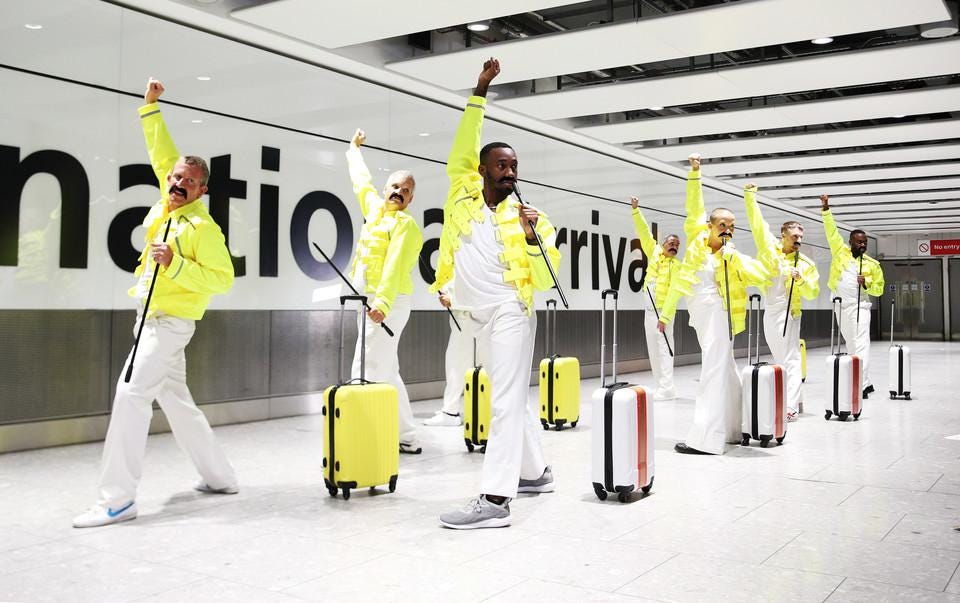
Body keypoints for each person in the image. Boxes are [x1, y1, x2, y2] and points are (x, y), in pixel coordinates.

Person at [73, 78, 237, 528]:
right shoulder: (167, 204)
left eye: (189, 181)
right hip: (146, 320)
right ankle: (221, 477)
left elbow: (224, 278)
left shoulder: (204, 229)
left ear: (203, 191)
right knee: (176, 400)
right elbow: (163, 155)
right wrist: (150, 109)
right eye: (175, 178)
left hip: (170, 325)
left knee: (130, 395)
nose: (178, 182)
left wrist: (177, 265)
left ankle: (118, 498)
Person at [436, 58, 561, 529]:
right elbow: (463, 144)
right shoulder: (461, 195)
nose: (510, 172)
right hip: (473, 314)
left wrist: (532, 239)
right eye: (501, 165)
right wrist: (479, 91)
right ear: (483, 169)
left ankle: (495, 500)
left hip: (511, 311)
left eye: (514, 166)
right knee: (510, 396)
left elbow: (547, 277)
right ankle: (536, 472)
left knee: (505, 401)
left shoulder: (532, 217)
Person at [657, 154, 767, 455]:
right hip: (704, 316)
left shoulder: (731, 255)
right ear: (710, 225)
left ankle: (705, 438)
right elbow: (694, 209)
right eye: (722, 224)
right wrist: (695, 174)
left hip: (721, 317)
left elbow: (761, 273)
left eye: (731, 226)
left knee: (713, 371)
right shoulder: (696, 246)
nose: (727, 230)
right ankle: (733, 430)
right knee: (726, 370)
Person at [345, 128, 424, 452]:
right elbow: (360, 181)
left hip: (389, 303)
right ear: (386, 188)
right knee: (387, 368)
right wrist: (353, 149)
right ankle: (406, 436)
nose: (399, 192)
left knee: (367, 365)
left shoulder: (406, 226)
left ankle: (363, 436)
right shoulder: (375, 210)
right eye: (395, 186)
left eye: (405, 190)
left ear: (411, 198)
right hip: (370, 300)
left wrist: (383, 304)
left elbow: (393, 267)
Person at [743, 184, 820, 419]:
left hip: (791, 313)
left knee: (791, 357)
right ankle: (798, 398)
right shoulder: (770, 250)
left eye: (801, 237)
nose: (798, 240)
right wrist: (750, 197)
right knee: (780, 356)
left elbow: (813, 293)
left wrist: (802, 281)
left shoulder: (805, 263)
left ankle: (791, 405)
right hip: (771, 310)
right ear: (783, 236)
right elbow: (758, 225)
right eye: (795, 236)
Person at [820, 194, 884, 398]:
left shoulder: (873, 265)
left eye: (864, 242)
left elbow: (879, 290)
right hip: (840, 305)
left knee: (861, 344)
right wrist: (826, 208)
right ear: (851, 242)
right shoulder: (840, 252)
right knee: (850, 343)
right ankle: (863, 380)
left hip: (860, 307)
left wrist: (867, 283)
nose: (863, 245)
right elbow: (831, 231)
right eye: (859, 242)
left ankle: (861, 384)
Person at [630, 196, 680, 400]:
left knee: (665, 350)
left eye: (677, 245)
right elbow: (644, 234)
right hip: (649, 313)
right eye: (671, 243)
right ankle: (662, 386)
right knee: (653, 349)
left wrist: (665, 317)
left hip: (663, 315)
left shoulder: (677, 266)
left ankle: (667, 387)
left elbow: (675, 293)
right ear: (663, 244)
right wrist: (636, 210)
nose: (674, 246)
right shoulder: (654, 254)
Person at [424, 283, 473, 427]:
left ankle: (450, 412)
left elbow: (472, 285)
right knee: (456, 361)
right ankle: (450, 409)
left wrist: (454, 300)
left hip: (466, 313)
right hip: (463, 313)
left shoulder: (468, 261)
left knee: (456, 363)